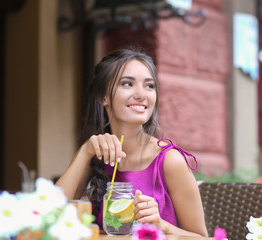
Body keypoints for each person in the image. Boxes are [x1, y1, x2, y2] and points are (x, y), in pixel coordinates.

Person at [55, 48, 208, 237]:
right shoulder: (97, 154)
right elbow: (50, 216)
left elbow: (201, 238)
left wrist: (162, 225)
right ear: (103, 97)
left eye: (149, 86)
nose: (141, 94)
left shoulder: (169, 161)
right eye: (127, 84)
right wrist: (86, 150)